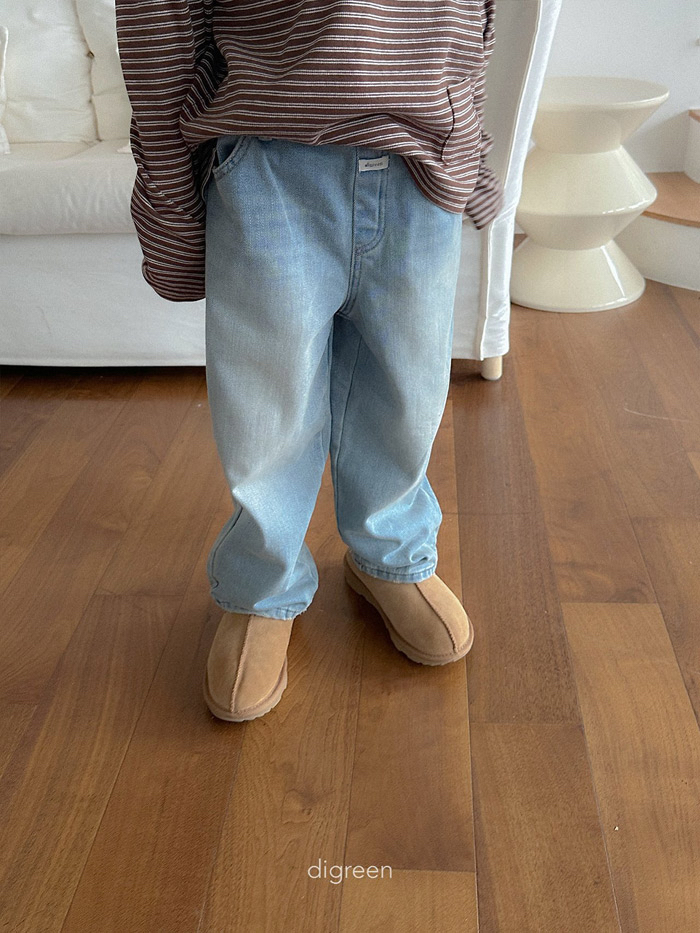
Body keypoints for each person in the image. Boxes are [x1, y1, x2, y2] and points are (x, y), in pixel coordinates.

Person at [116, 0, 503, 722]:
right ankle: (263, 587)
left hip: (421, 156)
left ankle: (390, 553)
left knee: (407, 387)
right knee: (267, 405)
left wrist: (469, 148)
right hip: (268, 155)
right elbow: (159, 19)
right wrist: (170, 199)